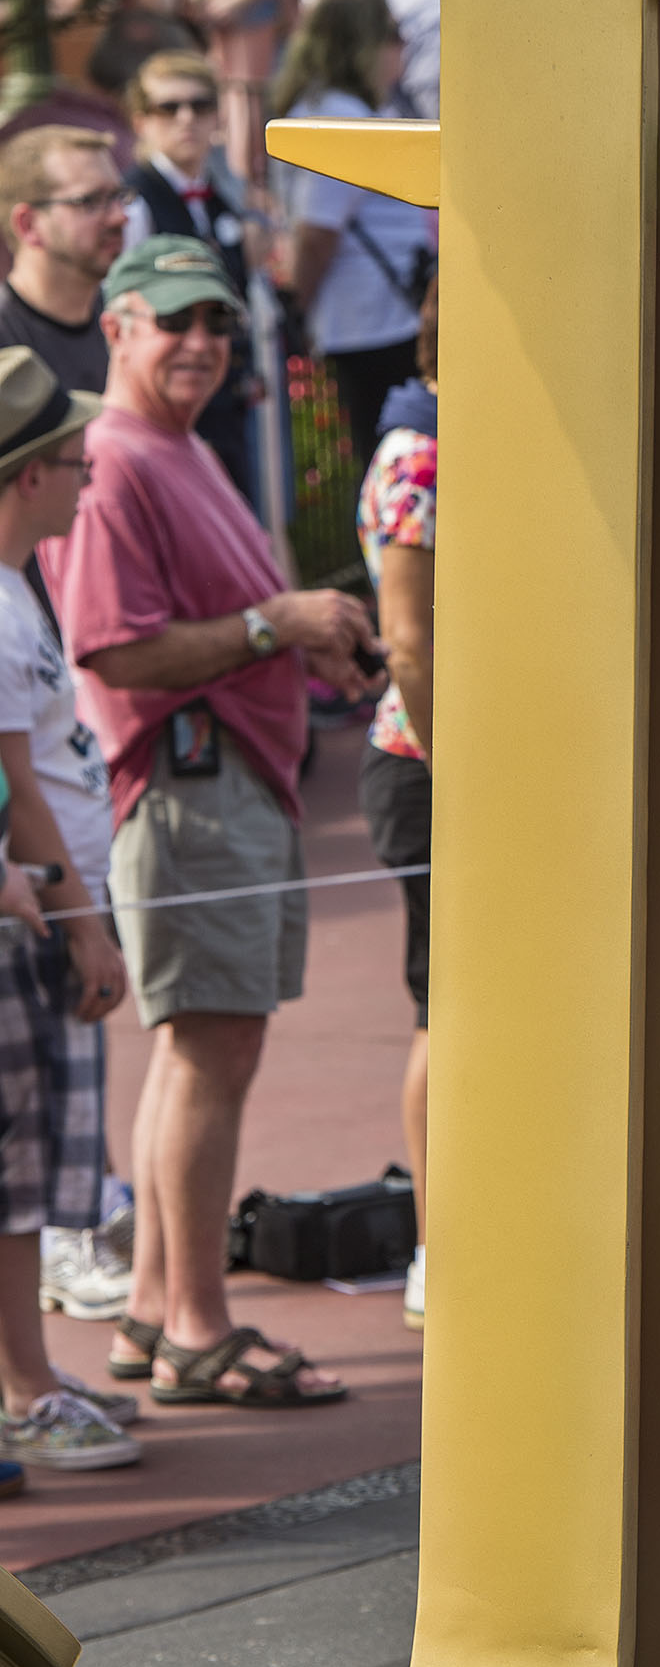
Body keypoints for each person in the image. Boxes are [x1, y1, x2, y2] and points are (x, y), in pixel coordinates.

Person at [40, 234, 381, 1410]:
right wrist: (272, 626)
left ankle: (152, 1309)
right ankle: (194, 1323)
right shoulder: (114, 458)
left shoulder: (170, 446)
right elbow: (116, 653)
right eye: (174, 319)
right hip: (189, 786)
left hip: (229, 780)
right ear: (120, 324)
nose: (199, 342)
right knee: (210, 1052)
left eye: (216, 322)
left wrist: (298, 631)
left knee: (199, 1054)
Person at [0, 350, 139, 1473]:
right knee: (17, 1174)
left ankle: (30, 1370)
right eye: (68, 458)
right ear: (23, 476)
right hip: (31, 925)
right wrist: (82, 917)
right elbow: (18, 786)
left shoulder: (17, 589)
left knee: (36, 1175)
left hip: (44, 915)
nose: (88, 470)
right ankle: (25, 1384)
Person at [357, 281, 436, 1333]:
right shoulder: (423, 449)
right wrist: (465, 770)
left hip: (445, 757)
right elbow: (410, 638)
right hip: (427, 765)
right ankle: (435, 1242)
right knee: (447, 1015)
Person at [269, 0, 430, 468]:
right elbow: (317, 232)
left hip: (378, 313)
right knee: (382, 458)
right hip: (368, 321)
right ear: (363, 43)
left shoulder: (355, 108)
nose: (402, 46)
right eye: (392, 34)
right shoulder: (336, 117)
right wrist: (299, 305)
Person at [120, 52, 259, 506]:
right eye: (169, 107)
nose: (187, 119)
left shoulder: (220, 196)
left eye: (200, 105)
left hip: (226, 397)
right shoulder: (136, 203)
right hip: (171, 397)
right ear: (142, 120)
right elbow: (124, 306)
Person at [0, 129, 129, 398]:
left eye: (118, 197)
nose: (120, 217)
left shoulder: (130, 323)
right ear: (28, 225)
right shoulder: (6, 342)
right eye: (89, 202)